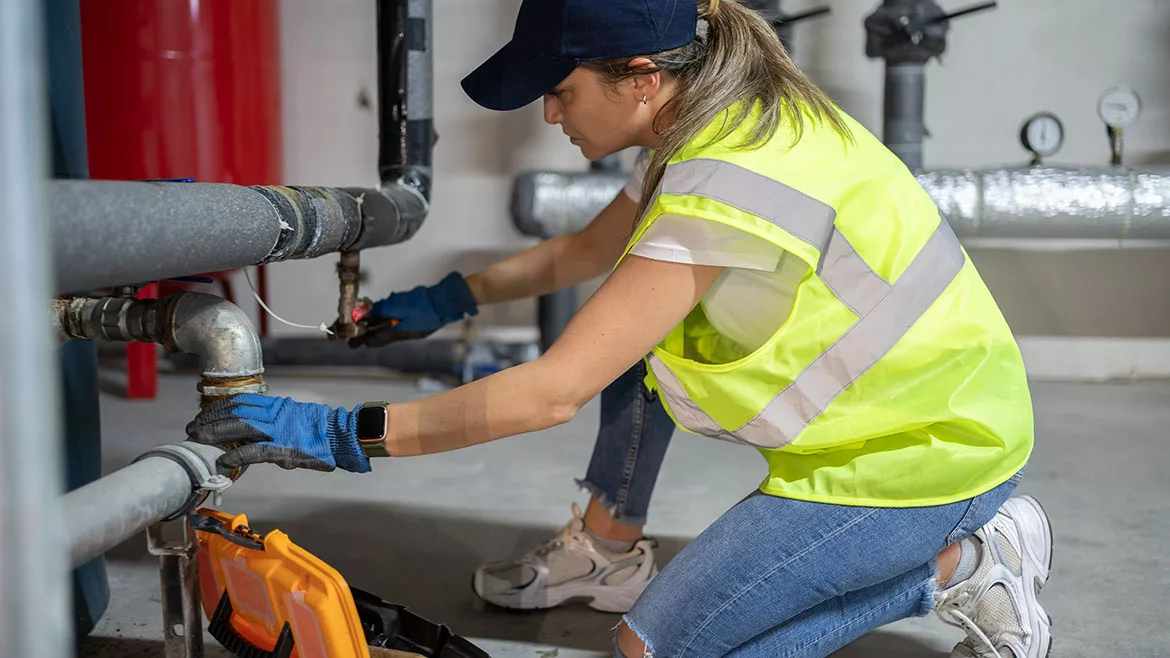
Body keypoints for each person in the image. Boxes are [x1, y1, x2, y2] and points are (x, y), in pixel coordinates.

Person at [188, 0, 1054, 655]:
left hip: (924, 459)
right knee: (636, 346)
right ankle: (607, 549)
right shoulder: (716, 118)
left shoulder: (725, 179)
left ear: (642, 77)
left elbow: (550, 393)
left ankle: (962, 567)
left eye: (561, 92)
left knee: (649, 650)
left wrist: (340, 433)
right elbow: (581, 252)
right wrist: (449, 297)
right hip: (908, 422)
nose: (549, 116)